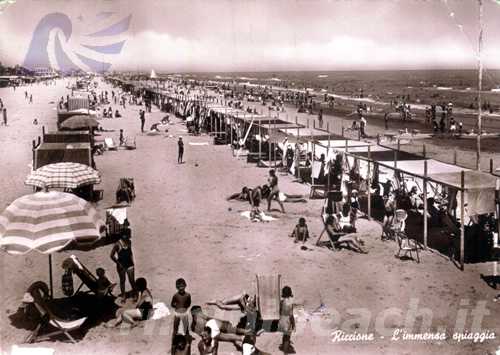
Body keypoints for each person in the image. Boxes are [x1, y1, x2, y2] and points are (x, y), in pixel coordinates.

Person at [110, 230, 136, 302]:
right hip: (121, 265)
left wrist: (132, 261)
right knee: (122, 281)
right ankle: (123, 296)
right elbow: (111, 255)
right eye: (127, 235)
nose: (128, 237)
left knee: (132, 280)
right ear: (123, 236)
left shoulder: (129, 242)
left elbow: (130, 252)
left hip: (129, 264)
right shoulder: (117, 244)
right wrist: (118, 263)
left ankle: (134, 294)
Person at [278, 286, 295, 353]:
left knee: (284, 335)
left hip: (282, 319)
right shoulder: (290, 303)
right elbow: (291, 315)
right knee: (287, 337)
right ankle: (285, 351)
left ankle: (283, 346)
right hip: (288, 321)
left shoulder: (281, 302)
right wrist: (293, 323)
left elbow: (279, 311)